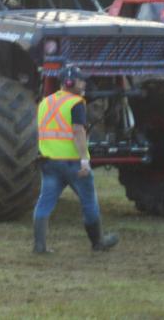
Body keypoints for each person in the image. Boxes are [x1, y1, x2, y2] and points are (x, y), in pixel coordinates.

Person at [32, 66, 119, 254]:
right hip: (73, 163)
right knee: (89, 201)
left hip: (49, 162)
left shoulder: (45, 102)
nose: (84, 83)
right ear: (70, 82)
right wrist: (85, 160)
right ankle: (98, 242)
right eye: (81, 80)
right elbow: (78, 131)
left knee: (44, 202)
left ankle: (40, 245)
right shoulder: (76, 103)